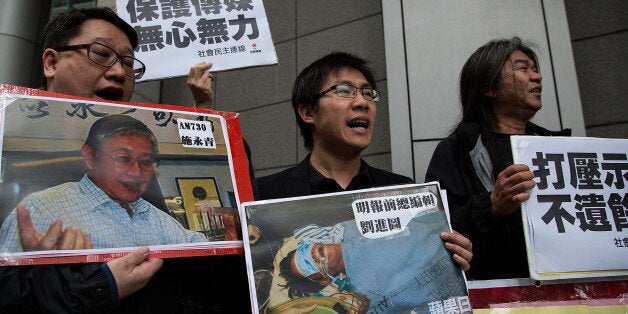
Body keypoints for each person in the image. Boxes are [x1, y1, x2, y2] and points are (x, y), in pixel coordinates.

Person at [0, 7, 165, 313]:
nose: (118, 72)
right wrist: (96, 287)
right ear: (51, 63)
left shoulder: (141, 176)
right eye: (100, 54)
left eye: (129, 63)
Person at [253, 52, 472, 270]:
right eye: (344, 91)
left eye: (368, 93)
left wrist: (451, 258)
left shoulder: (402, 191)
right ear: (308, 112)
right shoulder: (263, 197)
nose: (362, 102)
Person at [424, 37, 571, 280]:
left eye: (536, 69)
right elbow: (436, 232)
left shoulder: (557, 149)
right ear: (489, 87)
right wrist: (491, 207)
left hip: (563, 291)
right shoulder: (457, 149)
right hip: (493, 294)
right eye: (523, 68)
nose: (537, 77)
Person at [0, 114, 207, 252]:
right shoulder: (40, 208)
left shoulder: (150, 213)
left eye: (146, 162)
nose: (136, 172)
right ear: (90, 157)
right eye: (123, 159)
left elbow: (197, 246)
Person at [279, 211, 469, 314]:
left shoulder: (347, 227)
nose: (312, 254)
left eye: (305, 250)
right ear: (323, 281)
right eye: (307, 264)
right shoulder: (369, 295)